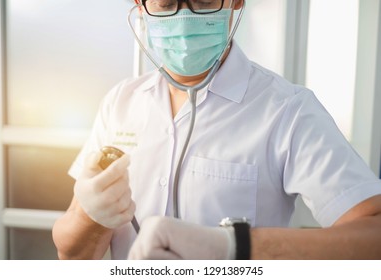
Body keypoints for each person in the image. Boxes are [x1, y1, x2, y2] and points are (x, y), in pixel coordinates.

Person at [52, 0, 381, 260]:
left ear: (236, 2)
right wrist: (91, 216)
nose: (184, 18)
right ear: (140, 7)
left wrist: (234, 248)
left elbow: (373, 238)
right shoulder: (120, 102)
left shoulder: (288, 110)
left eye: (204, 0)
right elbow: (73, 256)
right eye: (166, 4)